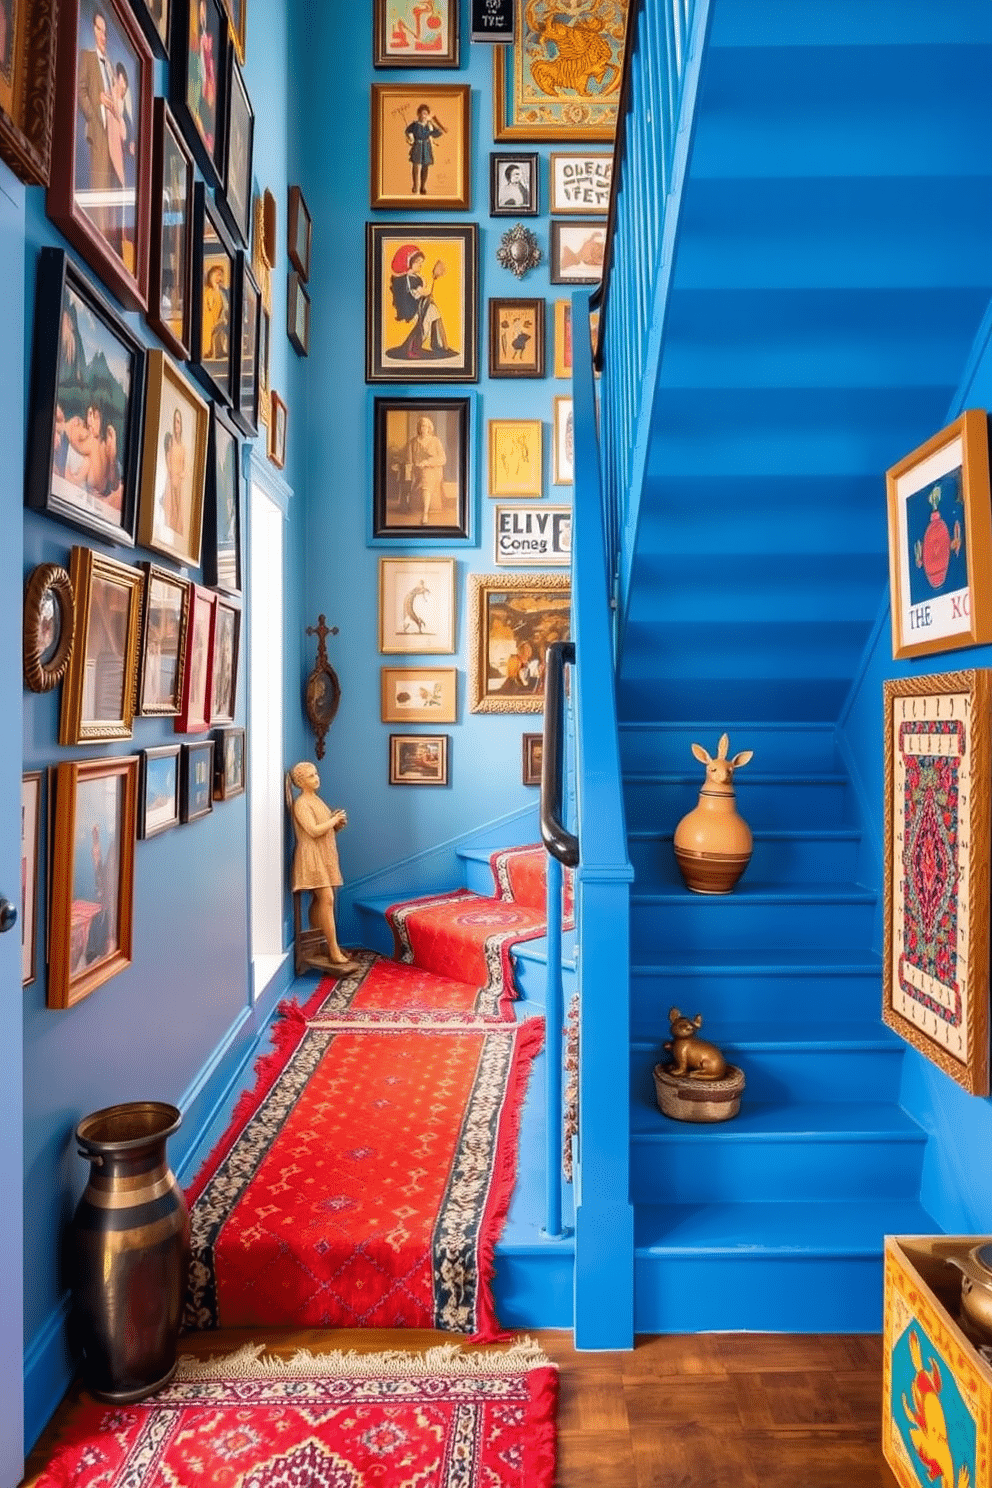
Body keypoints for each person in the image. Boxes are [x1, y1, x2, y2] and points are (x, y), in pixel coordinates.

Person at [285, 762, 357, 975]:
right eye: (310, 776)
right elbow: (313, 830)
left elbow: (323, 826)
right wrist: (332, 820)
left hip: (323, 854)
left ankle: (322, 944)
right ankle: (333, 950)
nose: (316, 778)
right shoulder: (301, 803)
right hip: (311, 856)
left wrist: (336, 823)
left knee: (322, 899)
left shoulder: (315, 800)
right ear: (300, 782)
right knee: (327, 899)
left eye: (316, 774)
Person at [387, 244, 454, 360]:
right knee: (425, 323)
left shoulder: (418, 277)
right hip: (414, 308)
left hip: (423, 306)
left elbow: (423, 292)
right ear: (409, 263)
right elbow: (419, 293)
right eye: (417, 261)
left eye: (421, 262)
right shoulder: (408, 279)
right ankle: (413, 348)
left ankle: (440, 345)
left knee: (434, 315)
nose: (420, 264)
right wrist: (428, 291)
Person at [77, 9, 115, 209]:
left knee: (109, 194)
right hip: (97, 131)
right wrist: (93, 114)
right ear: (93, 30)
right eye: (99, 29)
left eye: (105, 31)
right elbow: (80, 89)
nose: (102, 35)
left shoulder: (109, 65)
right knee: (99, 190)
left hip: (111, 136)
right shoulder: (88, 57)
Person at [407, 415, 446, 525]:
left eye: (425, 426)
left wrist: (427, 463)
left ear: (429, 428)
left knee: (426, 474)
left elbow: (443, 459)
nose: (422, 428)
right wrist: (414, 466)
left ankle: (425, 514)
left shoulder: (435, 441)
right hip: (417, 472)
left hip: (433, 471)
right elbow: (409, 460)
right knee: (423, 474)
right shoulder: (413, 442)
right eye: (420, 426)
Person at [404, 103, 445, 195]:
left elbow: (437, 133)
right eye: (422, 113)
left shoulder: (429, 125)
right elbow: (407, 131)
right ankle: (415, 186)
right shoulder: (414, 125)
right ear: (418, 114)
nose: (424, 116)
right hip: (417, 146)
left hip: (426, 147)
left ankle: (422, 187)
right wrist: (410, 138)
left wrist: (436, 125)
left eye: (426, 114)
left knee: (425, 167)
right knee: (415, 166)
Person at [164, 407, 187, 534]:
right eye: (175, 421)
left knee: (179, 519)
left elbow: (185, 468)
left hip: (179, 485)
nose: (176, 424)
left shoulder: (183, 448)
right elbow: (168, 461)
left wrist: (182, 474)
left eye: (178, 421)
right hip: (171, 483)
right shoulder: (170, 443)